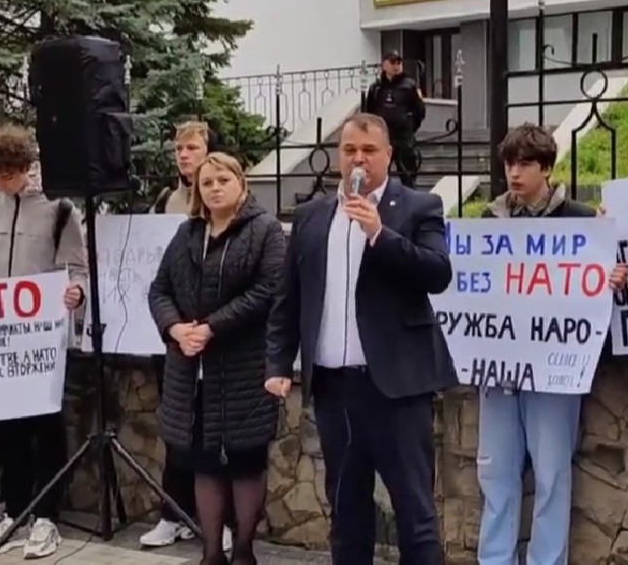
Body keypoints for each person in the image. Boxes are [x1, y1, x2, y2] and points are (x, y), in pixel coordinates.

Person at [266, 112, 454, 565]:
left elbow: (438, 273)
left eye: (369, 150)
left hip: (397, 389)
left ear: (388, 155)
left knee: (414, 512)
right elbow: (289, 299)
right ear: (338, 156)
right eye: (350, 149)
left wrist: (378, 234)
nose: (359, 159)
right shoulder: (311, 216)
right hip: (335, 388)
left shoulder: (418, 206)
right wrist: (277, 364)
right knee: (346, 511)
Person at [475, 124, 628, 565]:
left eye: (524, 163)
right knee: (497, 475)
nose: (514, 173)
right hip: (501, 368)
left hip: (556, 372)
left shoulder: (580, 221)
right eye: (509, 163)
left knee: (552, 477)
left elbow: (598, 284)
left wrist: (610, 277)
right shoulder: (490, 220)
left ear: (546, 168)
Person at [148, 152, 285, 565]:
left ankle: (243, 549)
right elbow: (159, 290)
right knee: (202, 461)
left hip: (244, 366)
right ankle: (211, 552)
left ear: (241, 183)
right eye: (207, 183)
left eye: (223, 179)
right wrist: (175, 329)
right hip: (192, 370)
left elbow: (268, 290)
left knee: (245, 460)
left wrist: (211, 327)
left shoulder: (265, 230)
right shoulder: (188, 233)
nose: (215, 188)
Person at [0, 126, 87, 560]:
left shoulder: (59, 210)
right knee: (6, 429)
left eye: (10, 176)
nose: (4, 185)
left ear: (25, 169)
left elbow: (77, 271)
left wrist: (77, 293)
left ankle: (47, 516)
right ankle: (14, 511)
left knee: (47, 427)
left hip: (44, 340)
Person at [141, 121, 233, 553]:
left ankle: (222, 521)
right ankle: (173, 515)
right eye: (178, 147)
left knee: (219, 436)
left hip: (220, 340)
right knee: (179, 430)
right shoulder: (167, 201)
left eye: (191, 147)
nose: (183, 155)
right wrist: (175, 327)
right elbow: (159, 279)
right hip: (178, 339)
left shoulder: (228, 201)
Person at [361, 51, 425, 188]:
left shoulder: (409, 86)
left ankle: (409, 205)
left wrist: (410, 125)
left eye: (398, 63)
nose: (396, 66)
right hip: (382, 139)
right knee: (379, 175)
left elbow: (419, 110)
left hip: (403, 139)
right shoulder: (376, 88)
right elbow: (368, 112)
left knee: (407, 176)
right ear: (384, 65)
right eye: (392, 62)